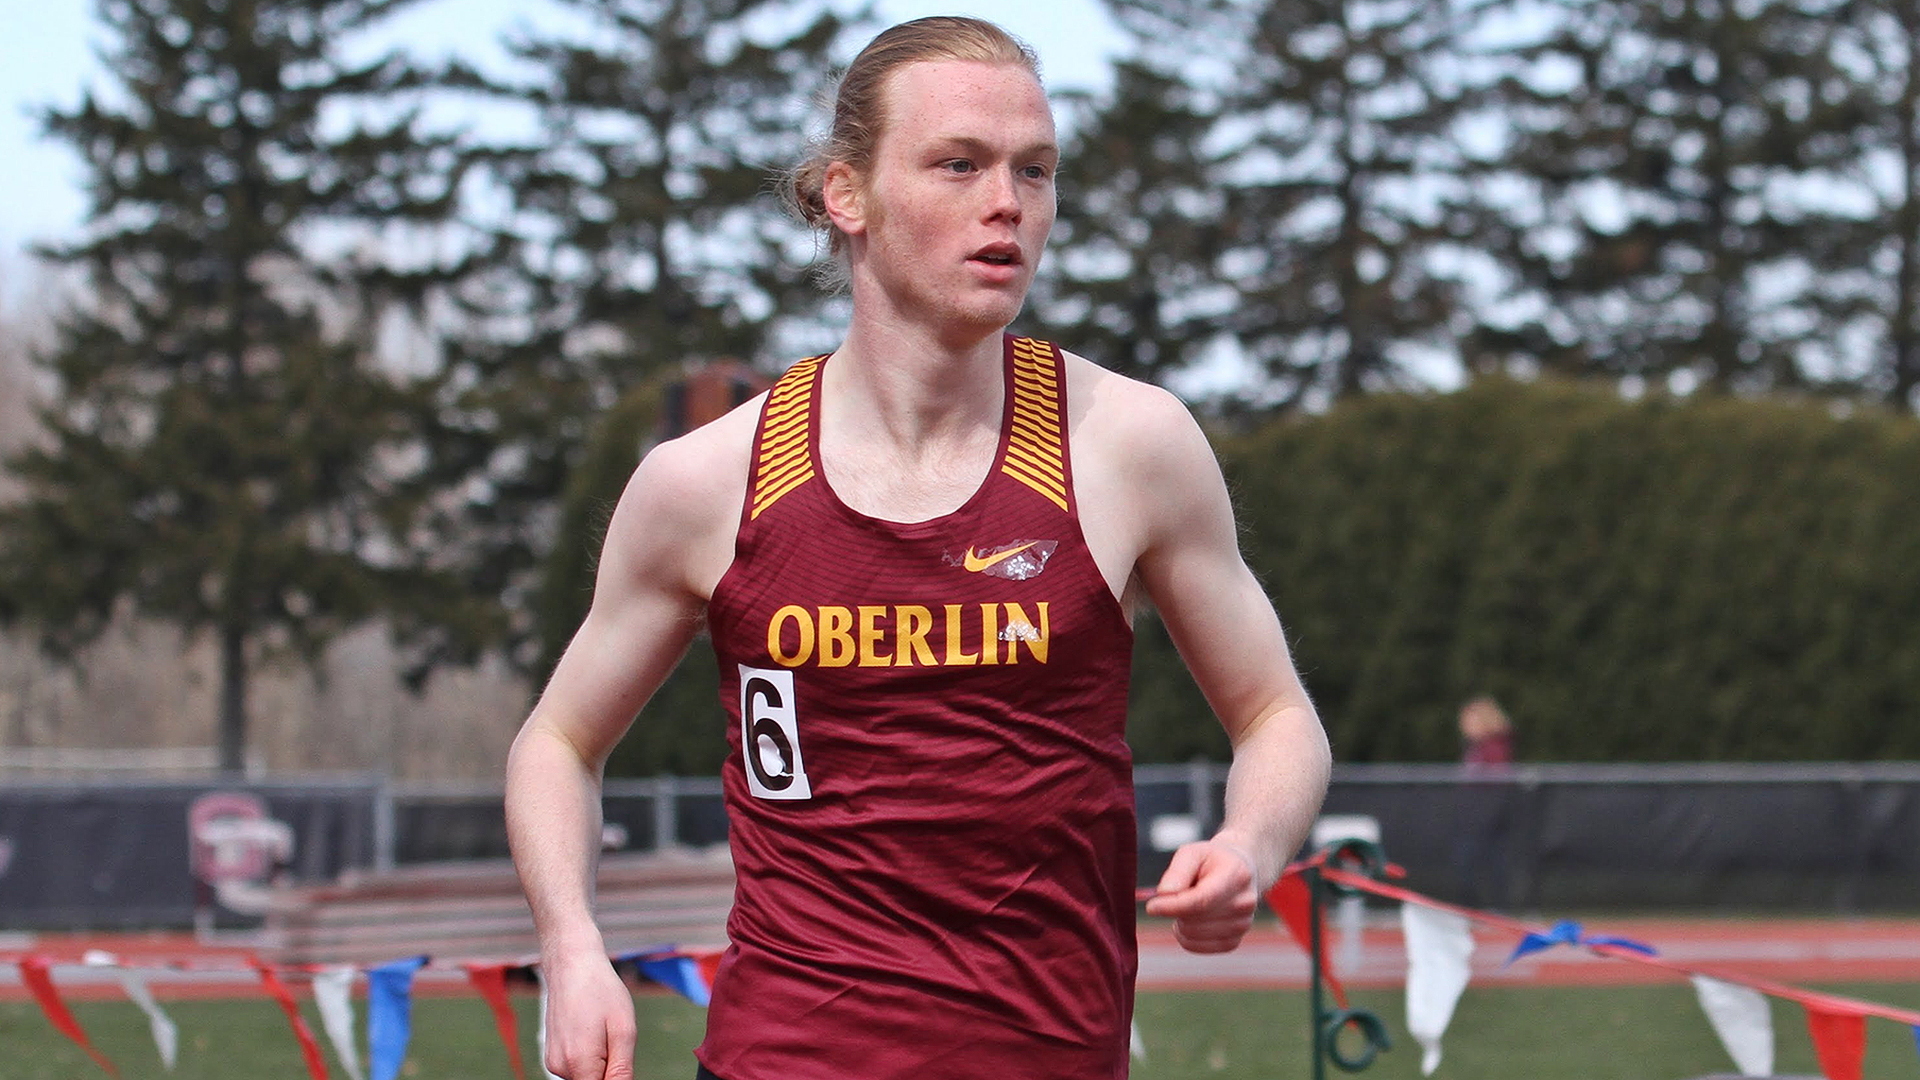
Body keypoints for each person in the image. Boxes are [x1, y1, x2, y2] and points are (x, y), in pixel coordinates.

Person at [504, 16, 1332, 1080]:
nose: (1008, 206)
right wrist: (572, 949)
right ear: (845, 194)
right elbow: (556, 744)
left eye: (1035, 171)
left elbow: (1277, 716)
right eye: (959, 165)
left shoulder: (1132, 446)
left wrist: (1248, 848)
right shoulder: (704, 484)